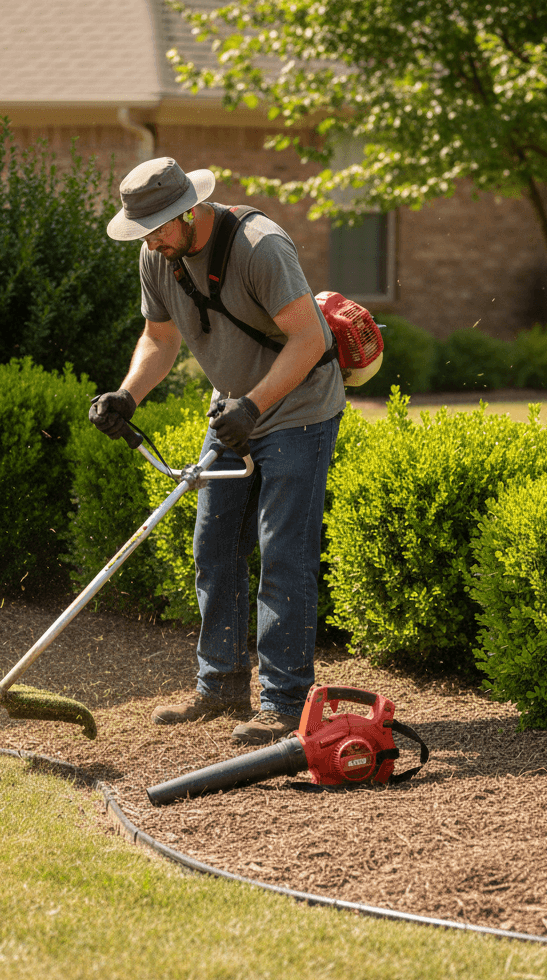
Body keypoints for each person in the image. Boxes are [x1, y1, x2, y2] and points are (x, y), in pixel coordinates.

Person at [89, 156, 346, 746]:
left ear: (189, 210)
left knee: (283, 552)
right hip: (231, 411)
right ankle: (222, 684)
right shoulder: (159, 256)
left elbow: (310, 339)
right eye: (143, 230)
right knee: (214, 543)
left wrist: (254, 406)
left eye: (158, 226)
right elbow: (159, 337)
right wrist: (127, 397)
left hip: (298, 411)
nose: (151, 240)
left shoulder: (261, 247)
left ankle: (283, 702)